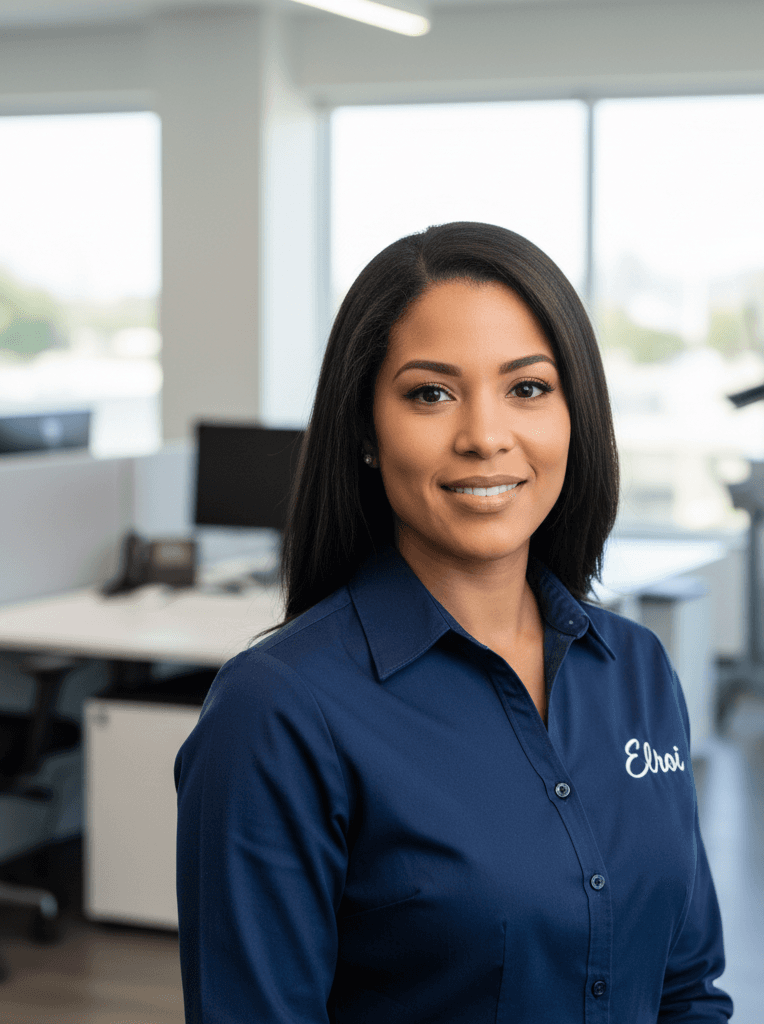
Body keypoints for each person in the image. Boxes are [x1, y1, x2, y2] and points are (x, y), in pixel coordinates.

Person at [175, 222, 732, 1023]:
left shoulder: (636, 671)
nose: (483, 436)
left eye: (528, 388)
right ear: (366, 430)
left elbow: (686, 990)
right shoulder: (277, 713)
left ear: (576, 415)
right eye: (430, 393)